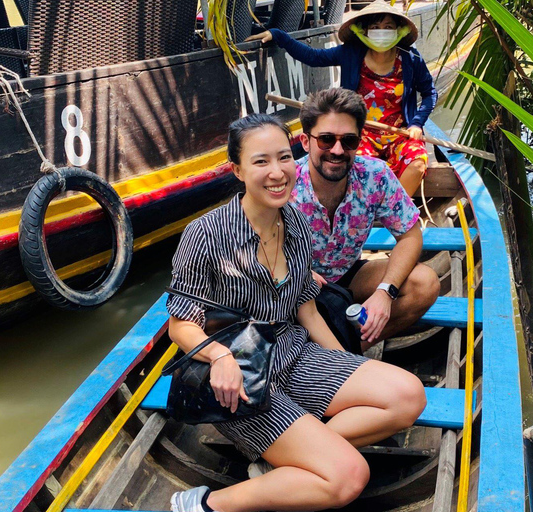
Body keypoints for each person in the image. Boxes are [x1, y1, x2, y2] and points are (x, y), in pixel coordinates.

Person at [167, 113, 426, 512]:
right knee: (348, 477)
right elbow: (181, 323)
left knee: (408, 396)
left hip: (295, 354)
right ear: (237, 170)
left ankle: (290, 457)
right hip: (243, 379)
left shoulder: (296, 225)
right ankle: (206, 504)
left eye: (284, 158)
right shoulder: (205, 234)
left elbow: (305, 307)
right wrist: (219, 356)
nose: (277, 172)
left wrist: (343, 363)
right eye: (260, 162)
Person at [290, 88, 440, 351]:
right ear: (305, 141)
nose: (337, 150)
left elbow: (410, 235)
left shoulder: (375, 175)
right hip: (296, 284)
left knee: (425, 283)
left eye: (348, 141)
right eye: (326, 139)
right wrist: (297, 274)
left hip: (348, 274)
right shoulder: (285, 182)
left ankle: (350, 348)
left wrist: (385, 291)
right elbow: (254, 248)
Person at [248, 0, 438, 196]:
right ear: (364, 31)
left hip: (401, 134)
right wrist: (278, 35)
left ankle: (397, 210)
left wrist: (416, 123)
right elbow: (313, 57)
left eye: (388, 27)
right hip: (359, 135)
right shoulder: (351, 53)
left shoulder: (411, 58)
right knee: (355, 168)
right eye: (375, 27)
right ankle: (366, 209)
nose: (382, 32)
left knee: (416, 163)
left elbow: (430, 93)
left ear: (399, 30)